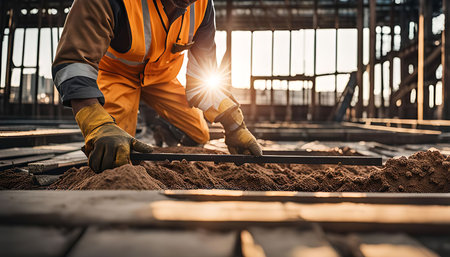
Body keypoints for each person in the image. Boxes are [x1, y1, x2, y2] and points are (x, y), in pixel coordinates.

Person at [52, 0, 262, 173]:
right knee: (116, 153)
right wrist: (96, 123)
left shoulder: (203, 7)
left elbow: (202, 78)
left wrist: (233, 124)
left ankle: (163, 129)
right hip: (117, 76)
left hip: (162, 78)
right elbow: (74, 63)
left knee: (199, 134)